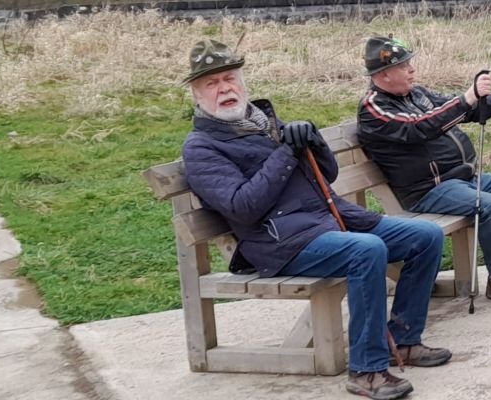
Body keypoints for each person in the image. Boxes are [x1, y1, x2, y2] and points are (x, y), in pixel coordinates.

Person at [177, 40, 451, 400]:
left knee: (425, 236)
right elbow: (242, 206)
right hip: (280, 243)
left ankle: (405, 339)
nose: (224, 89)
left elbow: (328, 173)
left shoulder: (267, 123)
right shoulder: (201, 148)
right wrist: (286, 153)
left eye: (229, 78)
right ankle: (367, 370)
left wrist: (313, 141)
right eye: (212, 84)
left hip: (329, 221)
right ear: (197, 95)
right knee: (366, 251)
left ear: (242, 83)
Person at [354, 37, 491, 304]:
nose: (411, 69)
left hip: (461, 178)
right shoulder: (373, 108)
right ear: (384, 74)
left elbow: (466, 110)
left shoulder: (417, 94)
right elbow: (418, 127)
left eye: (410, 63)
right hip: (428, 189)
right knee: (489, 205)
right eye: (404, 66)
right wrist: (466, 98)